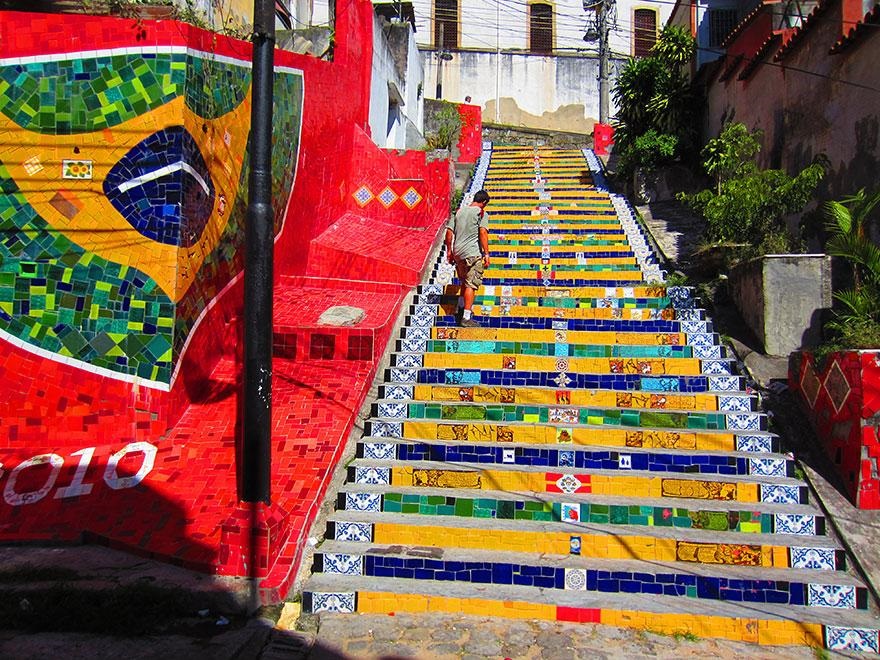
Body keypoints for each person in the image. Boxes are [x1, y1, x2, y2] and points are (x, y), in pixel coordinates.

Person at [445, 189, 490, 327]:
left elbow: (449, 232)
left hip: (458, 253)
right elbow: (482, 232)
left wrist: (449, 251)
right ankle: (466, 316)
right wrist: (487, 253)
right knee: (471, 284)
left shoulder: (458, 211)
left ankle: (459, 308)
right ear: (484, 202)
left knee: (464, 282)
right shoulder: (481, 213)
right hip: (472, 253)